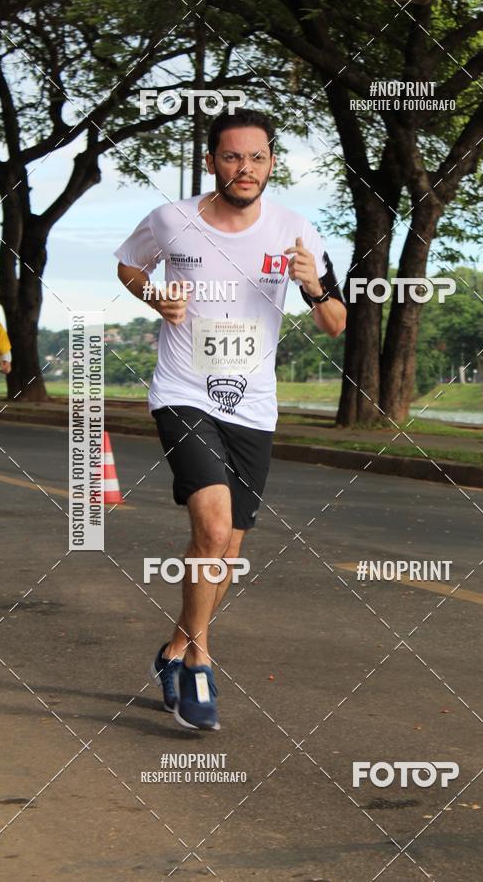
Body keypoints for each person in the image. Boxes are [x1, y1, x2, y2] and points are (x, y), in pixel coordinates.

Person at [115, 108, 346, 731]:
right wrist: (153, 295)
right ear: (212, 161)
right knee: (213, 533)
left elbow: (336, 322)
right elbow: (130, 266)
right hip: (182, 391)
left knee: (229, 550)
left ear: (271, 163)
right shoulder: (173, 220)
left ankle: (173, 648)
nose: (245, 169)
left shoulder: (296, 230)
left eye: (257, 158)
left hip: (253, 404)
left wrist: (314, 287)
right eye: (231, 157)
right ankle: (199, 662)